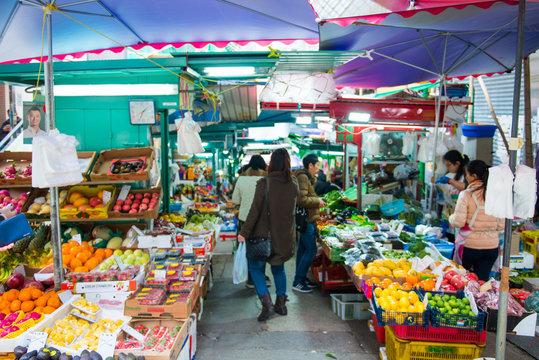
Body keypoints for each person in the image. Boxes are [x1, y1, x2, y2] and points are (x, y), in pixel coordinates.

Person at [238, 149, 299, 321]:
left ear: (272, 163)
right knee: (278, 269)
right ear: (287, 163)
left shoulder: (265, 183)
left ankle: (267, 306)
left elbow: (254, 211)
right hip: (284, 237)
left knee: (256, 269)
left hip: (263, 236)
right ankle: (281, 305)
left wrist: (244, 233)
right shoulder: (293, 183)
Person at [449, 160, 504, 281]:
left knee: (462, 281)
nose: (466, 178)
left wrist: (451, 217)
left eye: (467, 174)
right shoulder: (496, 195)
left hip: (469, 247)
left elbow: (458, 222)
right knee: (481, 283)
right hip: (491, 247)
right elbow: (501, 225)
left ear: (474, 176)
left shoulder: (466, 195)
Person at [232, 155, 269, 288]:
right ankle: (261, 277)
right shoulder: (266, 180)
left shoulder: (241, 180)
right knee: (262, 249)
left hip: (245, 219)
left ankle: (250, 279)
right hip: (263, 221)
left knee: (248, 249)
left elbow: (235, 200)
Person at [293, 154, 327, 293]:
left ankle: (301, 278)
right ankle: (298, 280)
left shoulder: (308, 177)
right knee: (311, 249)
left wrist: (318, 199)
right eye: (317, 165)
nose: (318, 168)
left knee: (302, 249)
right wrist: (317, 202)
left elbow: (308, 196)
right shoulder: (303, 177)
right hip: (306, 219)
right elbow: (301, 199)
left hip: (309, 218)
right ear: (310, 165)